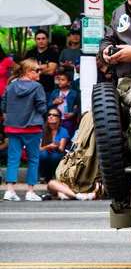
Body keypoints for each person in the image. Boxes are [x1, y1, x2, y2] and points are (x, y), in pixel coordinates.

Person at [1, 58, 47, 201]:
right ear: (28, 71)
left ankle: (10, 191)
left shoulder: (11, 85)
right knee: (33, 159)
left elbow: (3, 105)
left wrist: (11, 117)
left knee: (13, 159)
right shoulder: (37, 87)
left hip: (13, 127)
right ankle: (30, 191)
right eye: (37, 70)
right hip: (32, 127)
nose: (40, 73)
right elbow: (41, 107)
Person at [25, 29, 59, 103]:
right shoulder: (30, 53)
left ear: (47, 39)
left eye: (43, 38)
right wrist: (44, 66)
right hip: (31, 89)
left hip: (47, 89)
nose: (41, 41)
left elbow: (50, 71)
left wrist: (33, 69)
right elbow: (25, 69)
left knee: (46, 111)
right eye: (38, 39)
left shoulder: (52, 53)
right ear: (35, 40)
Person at [38, 108, 70, 183]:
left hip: (56, 153)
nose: (51, 116)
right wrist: (49, 146)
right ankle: (42, 176)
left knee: (55, 156)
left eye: (54, 115)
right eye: (49, 115)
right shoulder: (42, 130)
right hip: (44, 152)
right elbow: (39, 148)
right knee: (43, 154)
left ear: (59, 118)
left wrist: (57, 146)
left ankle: (54, 176)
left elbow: (62, 149)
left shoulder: (63, 131)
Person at [48, 72, 79, 138]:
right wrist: (54, 102)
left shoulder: (74, 93)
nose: (60, 82)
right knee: (55, 136)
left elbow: (79, 107)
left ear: (69, 82)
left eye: (63, 80)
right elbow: (48, 105)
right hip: (56, 119)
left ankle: (66, 148)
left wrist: (73, 113)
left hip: (68, 119)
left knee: (67, 136)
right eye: (59, 80)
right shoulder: (55, 92)